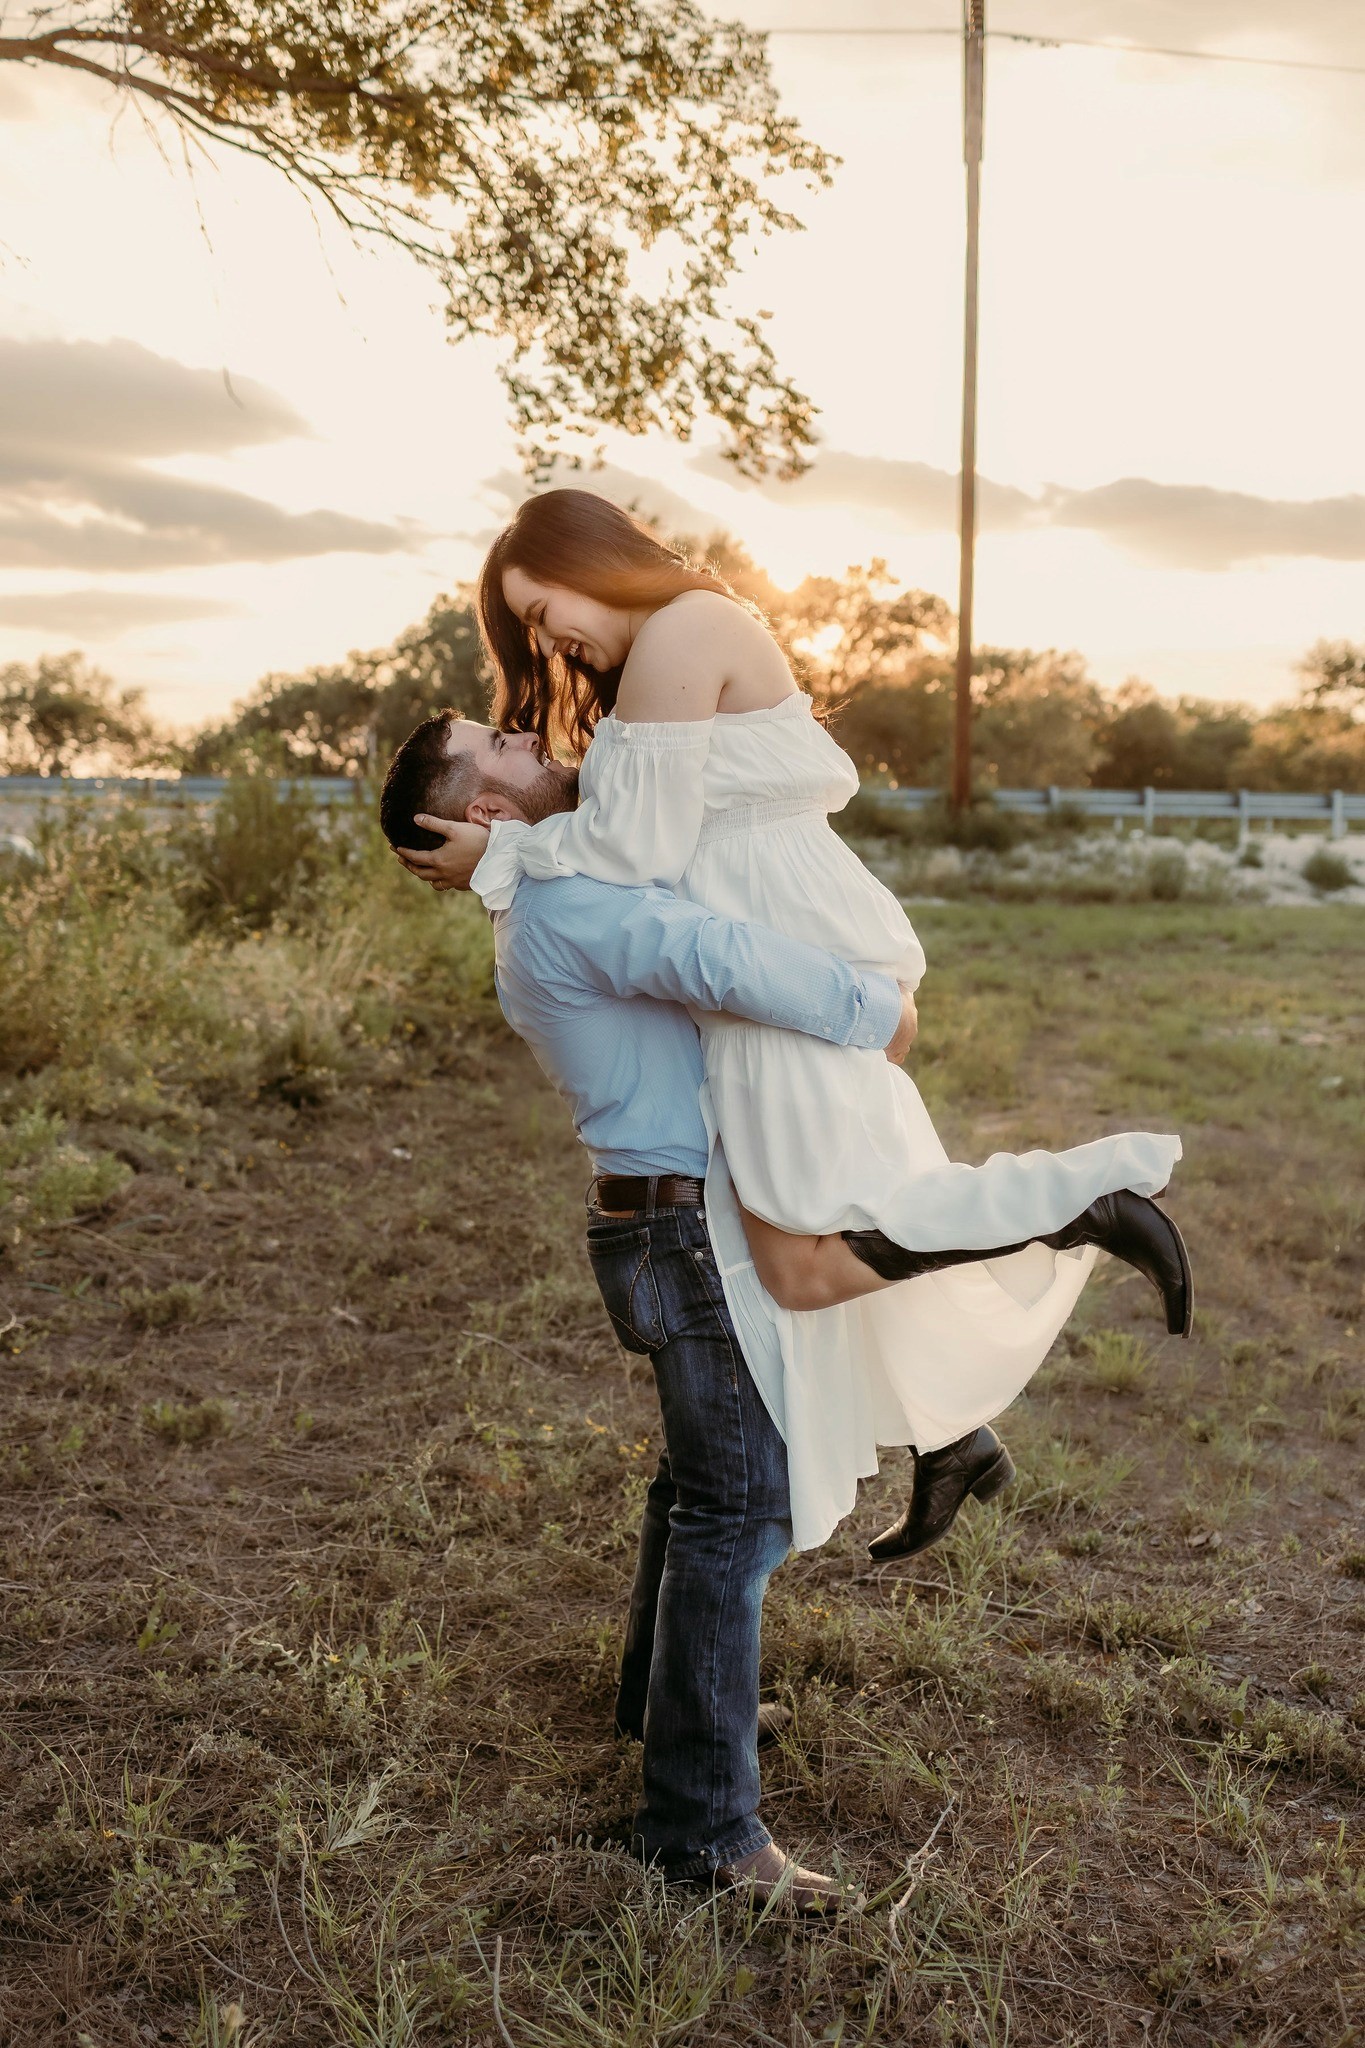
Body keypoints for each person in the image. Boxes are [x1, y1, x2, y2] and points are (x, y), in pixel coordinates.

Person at [395, 490, 1192, 1560]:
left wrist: (497, 858)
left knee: (809, 1254)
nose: (545, 644)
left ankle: (1080, 1201)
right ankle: (953, 1434)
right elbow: (618, 832)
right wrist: (505, 851)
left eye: (542, 611)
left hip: (778, 949)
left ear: (592, 559)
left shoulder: (681, 629)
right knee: (808, 1248)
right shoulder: (647, 671)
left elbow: (636, 849)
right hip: (755, 960)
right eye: (529, 630)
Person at [380, 711, 968, 1909]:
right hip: (680, 1230)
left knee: (698, 1483)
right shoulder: (563, 906)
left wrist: (498, 847)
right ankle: (700, 1826)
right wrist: (877, 1014)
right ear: (489, 809)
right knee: (736, 1504)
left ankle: (667, 1708)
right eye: (502, 742)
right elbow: (711, 953)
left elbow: (625, 836)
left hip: (660, 1222)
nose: (533, 735)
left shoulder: (544, 886)